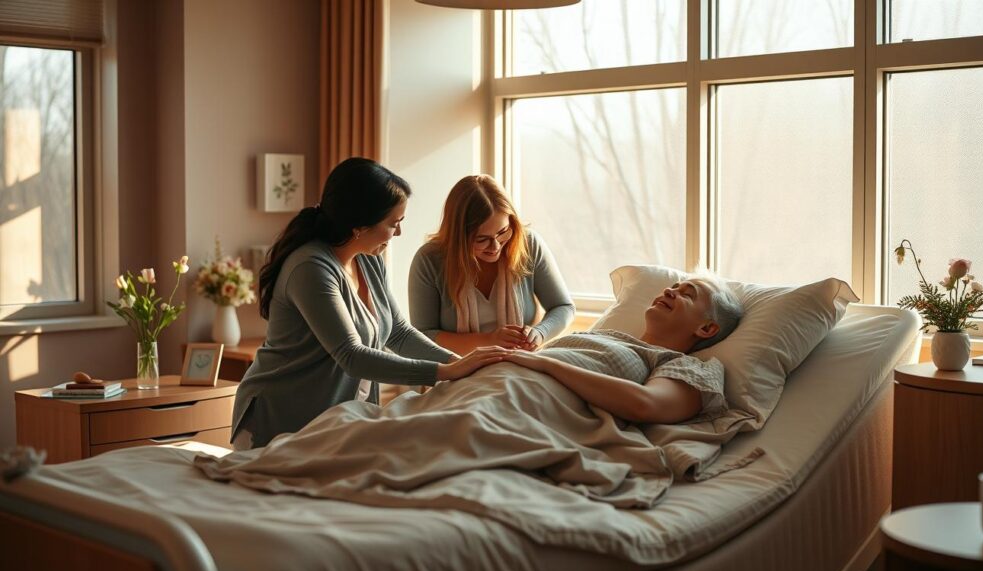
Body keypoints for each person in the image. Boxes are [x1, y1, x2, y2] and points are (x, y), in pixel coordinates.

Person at [232, 158, 509, 449]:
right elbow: (352, 355)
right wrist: (444, 373)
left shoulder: (369, 260)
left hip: (334, 422)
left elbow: (398, 333)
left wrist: (458, 363)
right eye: (394, 223)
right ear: (359, 226)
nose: (398, 233)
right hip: (280, 421)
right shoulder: (310, 268)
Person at [502, 274, 743, 424]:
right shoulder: (605, 337)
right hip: (497, 383)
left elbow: (646, 404)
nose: (669, 291)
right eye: (674, 286)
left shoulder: (683, 366)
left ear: (707, 328)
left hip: (522, 406)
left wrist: (546, 364)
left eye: (687, 295)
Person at [409, 175, 575, 354]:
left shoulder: (528, 244)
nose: (495, 246)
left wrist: (540, 333)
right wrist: (489, 341)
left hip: (520, 364)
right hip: (455, 370)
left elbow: (563, 307)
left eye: (503, 232)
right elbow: (423, 336)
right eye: (482, 239)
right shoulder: (429, 260)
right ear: (458, 237)